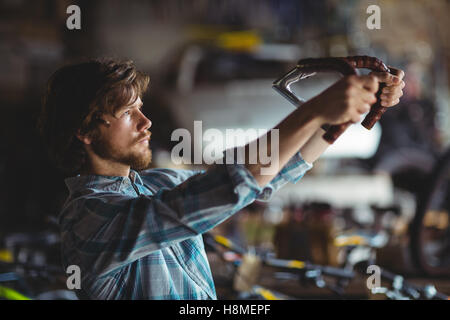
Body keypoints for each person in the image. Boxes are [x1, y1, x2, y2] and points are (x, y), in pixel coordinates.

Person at [37, 58, 404, 299]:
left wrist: (342, 117)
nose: (146, 123)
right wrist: (314, 109)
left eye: (141, 108)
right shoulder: (87, 217)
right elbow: (231, 184)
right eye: (127, 113)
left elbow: (261, 178)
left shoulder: (155, 184)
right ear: (84, 131)